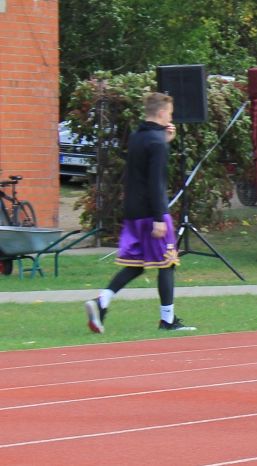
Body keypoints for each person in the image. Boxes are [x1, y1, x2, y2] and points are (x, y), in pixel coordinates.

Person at [83, 93, 197, 335]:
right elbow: (155, 182)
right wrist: (159, 217)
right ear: (161, 114)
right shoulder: (157, 143)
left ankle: (101, 301)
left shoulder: (138, 137)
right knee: (167, 264)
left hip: (132, 213)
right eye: (170, 112)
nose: (171, 116)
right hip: (151, 213)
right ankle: (167, 320)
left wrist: (164, 140)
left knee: (136, 265)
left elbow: (142, 170)